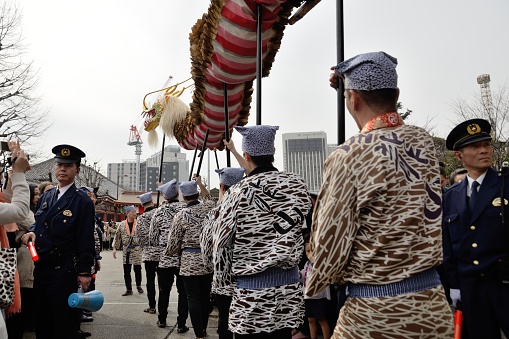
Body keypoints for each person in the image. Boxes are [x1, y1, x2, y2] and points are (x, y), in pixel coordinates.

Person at [307, 52, 453, 337]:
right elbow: (383, 135)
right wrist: (351, 94)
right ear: (396, 94)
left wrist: (316, 282)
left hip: (375, 312)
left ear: (353, 100)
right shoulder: (422, 141)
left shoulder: (348, 155)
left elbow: (329, 246)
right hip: (433, 306)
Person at [212, 125, 313, 338]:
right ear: (273, 153)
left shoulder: (238, 191)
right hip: (288, 296)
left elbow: (220, 241)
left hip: (251, 300)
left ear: (246, 154)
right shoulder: (297, 184)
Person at [442, 118, 509, 338]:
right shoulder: (451, 196)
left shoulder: (505, 185)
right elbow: (449, 247)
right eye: (475, 146)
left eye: (487, 144)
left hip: (504, 283)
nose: (484, 150)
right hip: (471, 289)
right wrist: (454, 285)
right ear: (459, 155)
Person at [21, 144, 96, 339]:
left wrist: (84, 272)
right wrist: (31, 232)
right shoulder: (47, 195)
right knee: (42, 320)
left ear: (77, 170)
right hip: (42, 267)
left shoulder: (82, 202)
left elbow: (85, 238)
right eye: (59, 165)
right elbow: (38, 223)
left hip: (65, 269)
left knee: (63, 323)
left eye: (68, 165)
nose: (62, 169)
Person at [200, 167, 245, 339]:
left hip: (223, 279)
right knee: (244, 324)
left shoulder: (215, 214)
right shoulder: (250, 209)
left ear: (221, 187)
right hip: (248, 279)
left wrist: (213, 268)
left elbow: (206, 247)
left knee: (224, 321)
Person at [166, 181, 213, 339]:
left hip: (188, 261)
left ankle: (198, 333)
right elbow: (210, 198)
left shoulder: (180, 215)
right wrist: (200, 182)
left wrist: (172, 252)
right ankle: (204, 327)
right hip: (208, 259)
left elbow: (173, 242)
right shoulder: (208, 209)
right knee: (206, 296)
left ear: (183, 197)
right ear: (197, 194)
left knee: (193, 297)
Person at [150, 179, 189, 332]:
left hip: (165, 259)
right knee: (183, 292)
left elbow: (152, 237)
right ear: (178, 194)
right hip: (182, 258)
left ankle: (162, 319)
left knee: (163, 291)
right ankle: (181, 323)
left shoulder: (158, 212)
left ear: (165, 197)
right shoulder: (185, 208)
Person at [300, 242, 331, 339]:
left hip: (318, 296)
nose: (309, 253)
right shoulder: (307, 264)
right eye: (307, 251)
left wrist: (314, 262)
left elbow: (320, 275)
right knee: (310, 320)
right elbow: (303, 277)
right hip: (307, 297)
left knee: (321, 320)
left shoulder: (320, 264)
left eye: (311, 251)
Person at [135, 191, 158, 314]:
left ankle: (152, 306)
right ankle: (164, 304)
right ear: (152, 202)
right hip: (162, 253)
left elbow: (139, 238)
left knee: (150, 281)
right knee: (163, 283)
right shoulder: (160, 214)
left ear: (143, 205)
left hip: (149, 253)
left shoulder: (141, 218)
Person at [112, 205, 143, 296]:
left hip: (137, 249)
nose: (135, 214)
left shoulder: (139, 224)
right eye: (133, 212)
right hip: (126, 250)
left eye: (135, 212)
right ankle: (128, 289)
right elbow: (117, 237)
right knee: (126, 270)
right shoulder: (121, 225)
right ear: (127, 213)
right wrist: (114, 248)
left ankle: (138, 285)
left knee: (137, 269)